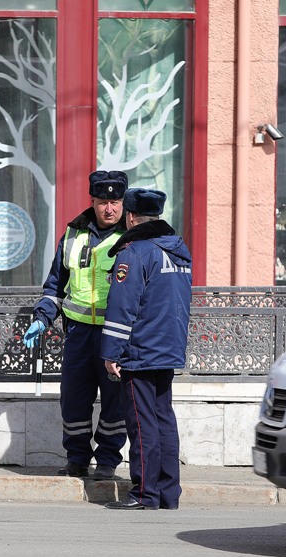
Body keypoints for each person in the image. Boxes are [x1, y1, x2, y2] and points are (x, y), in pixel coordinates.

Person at [23, 170, 129, 480]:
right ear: (92, 202)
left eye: (115, 201)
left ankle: (108, 461)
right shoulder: (73, 234)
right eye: (102, 202)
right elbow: (55, 286)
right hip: (79, 333)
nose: (109, 209)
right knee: (74, 398)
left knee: (114, 402)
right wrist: (42, 318)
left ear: (123, 202)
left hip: (116, 334)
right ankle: (77, 458)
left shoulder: (132, 236)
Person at [101, 188, 193, 510]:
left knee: (141, 424)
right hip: (168, 348)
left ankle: (144, 493)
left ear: (130, 216)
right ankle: (168, 493)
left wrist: (111, 353)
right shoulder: (177, 251)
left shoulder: (134, 252)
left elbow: (122, 307)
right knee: (163, 419)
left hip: (140, 351)